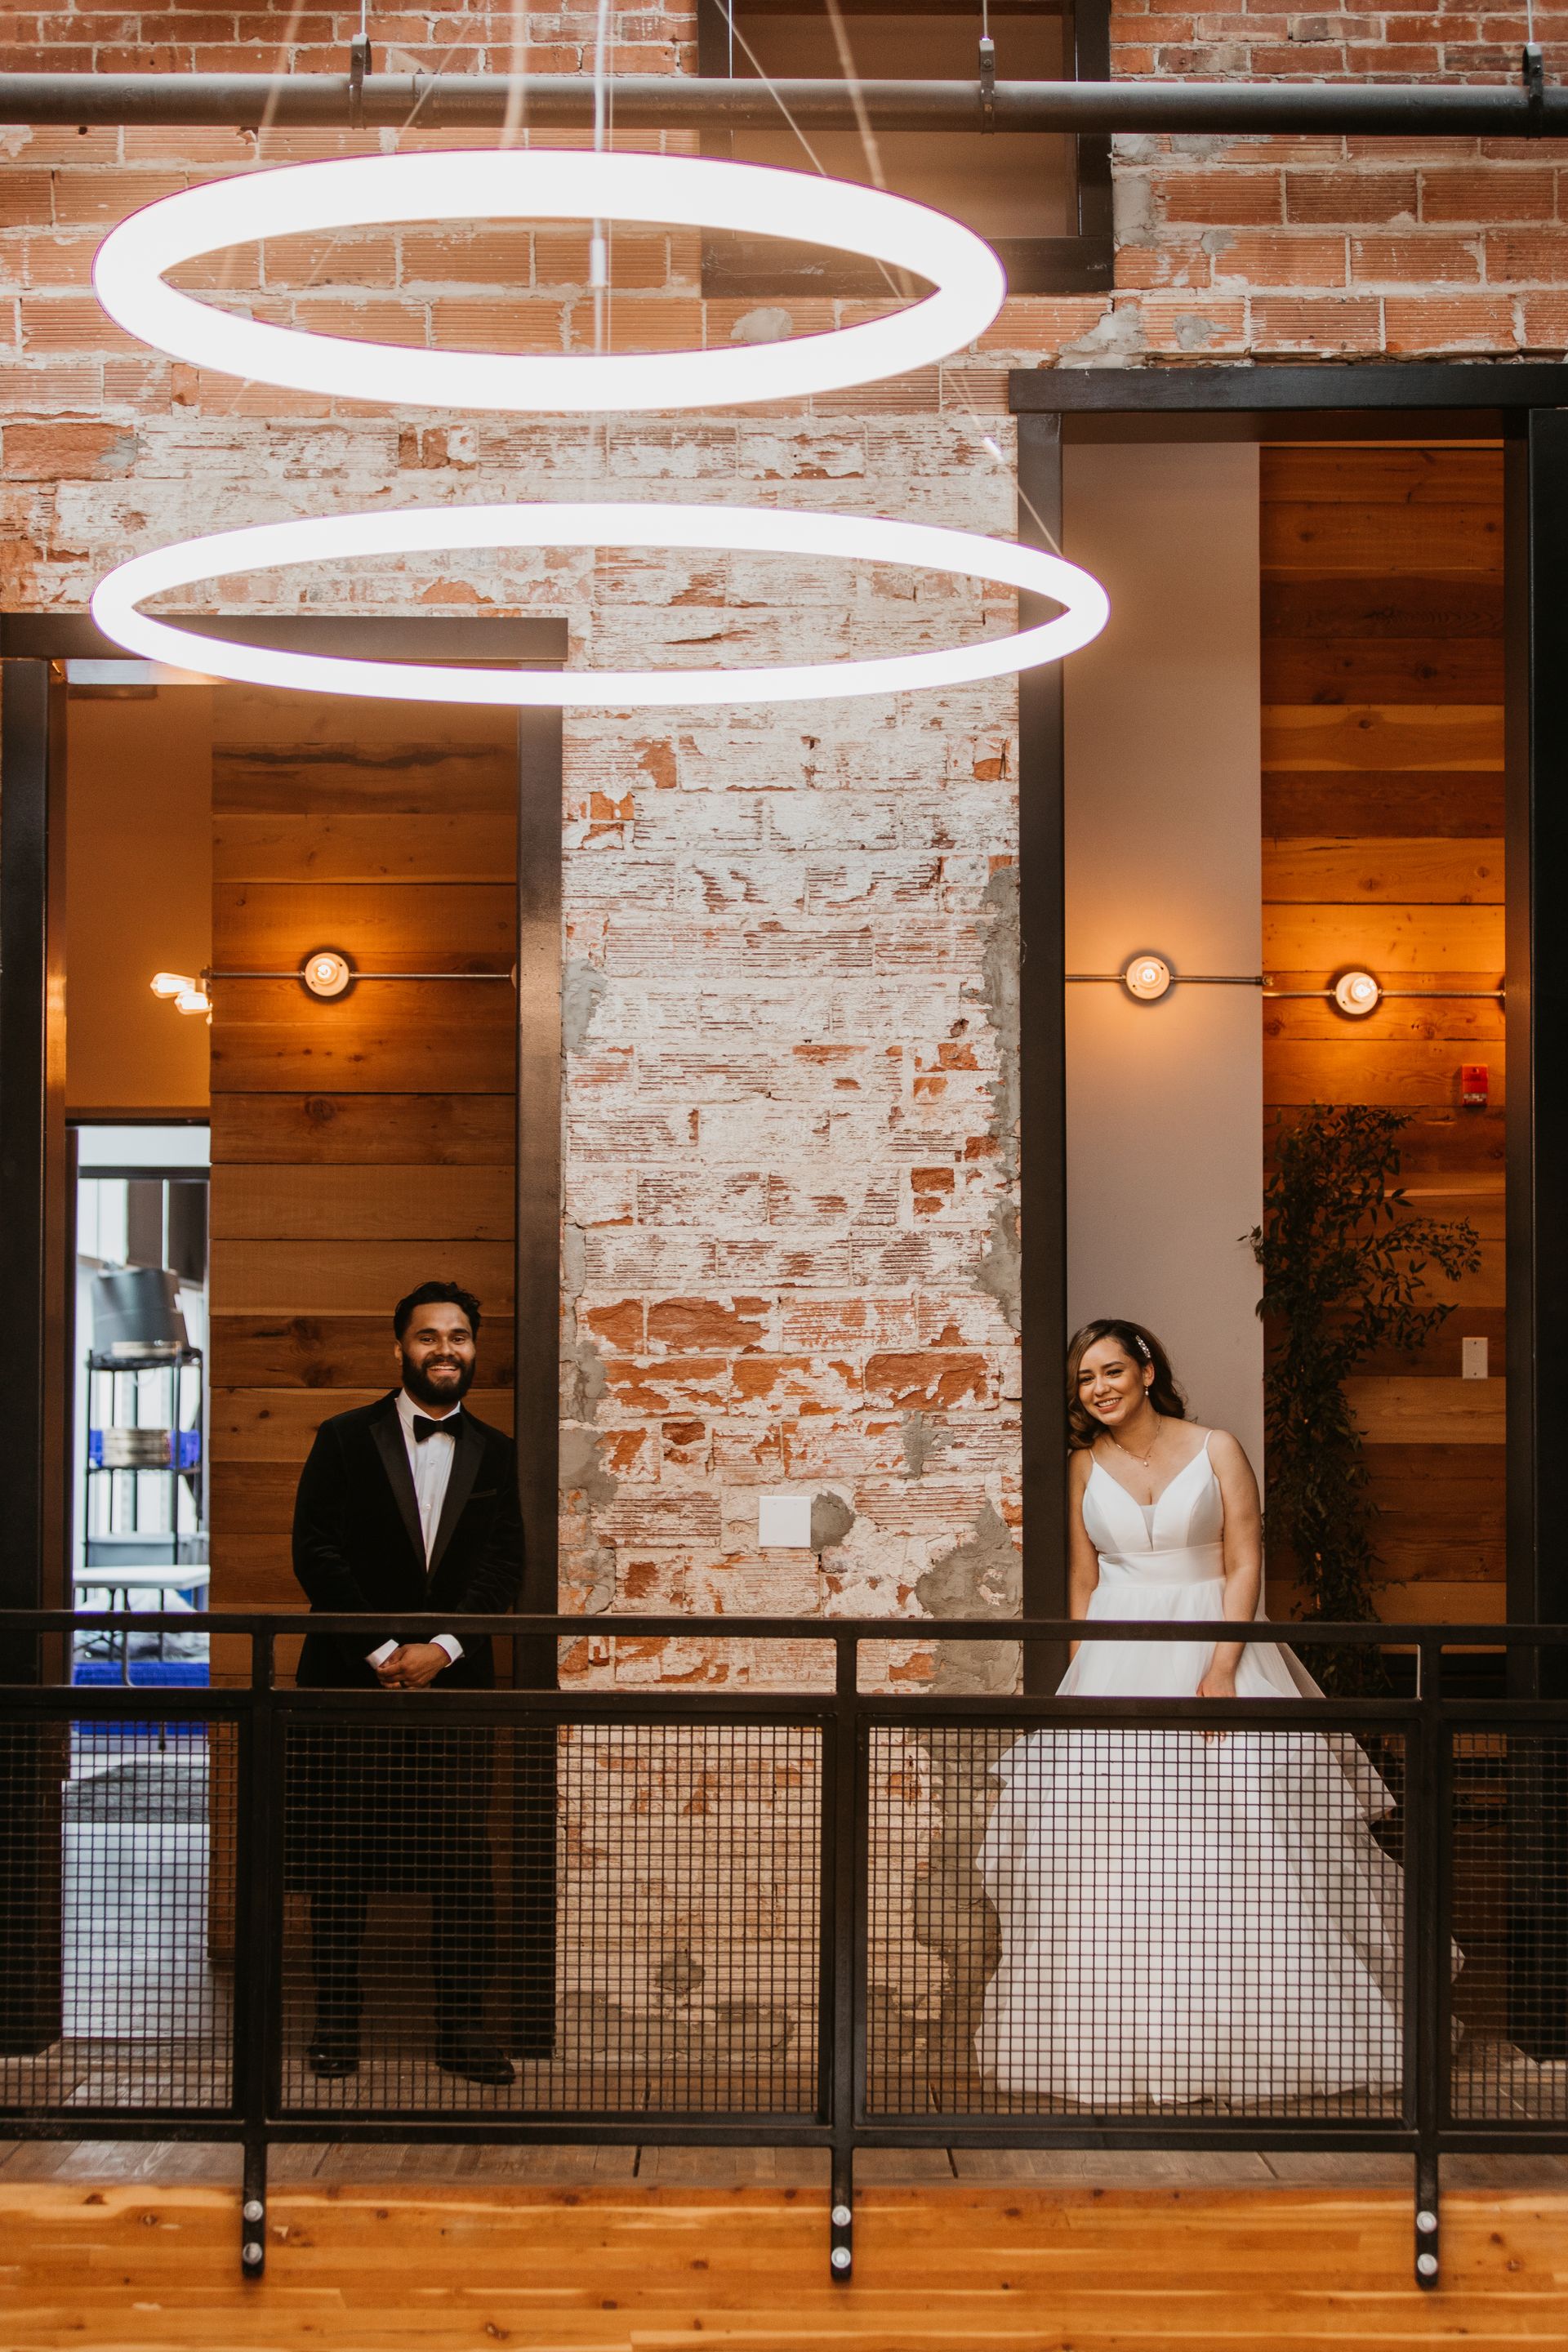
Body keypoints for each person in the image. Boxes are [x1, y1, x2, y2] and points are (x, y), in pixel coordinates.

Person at [975, 1317, 1406, 2109]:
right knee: (1116, 1850)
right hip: (1114, 1653)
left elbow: (1246, 1561)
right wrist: (1087, 1669)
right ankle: (1124, 2043)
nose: (1097, 1389)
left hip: (1220, 1643)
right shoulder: (1081, 1467)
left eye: (1110, 1371)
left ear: (1146, 1369)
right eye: (1083, 1380)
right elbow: (1082, 1578)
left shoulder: (1218, 1449)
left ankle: (1260, 2038)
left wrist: (1221, 1665)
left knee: (1243, 1841)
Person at [291, 1280, 524, 2087]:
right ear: (400, 1348)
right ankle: (336, 2026)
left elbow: (505, 1569)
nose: (446, 1350)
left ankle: (461, 2027)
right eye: (429, 1337)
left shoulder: (498, 1452)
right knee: (341, 1858)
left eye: (459, 1336)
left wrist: (443, 1649)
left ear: (473, 1349)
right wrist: (389, 1646)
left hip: (456, 1691)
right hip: (351, 1685)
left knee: (462, 1859)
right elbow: (316, 1554)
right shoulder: (341, 1438)